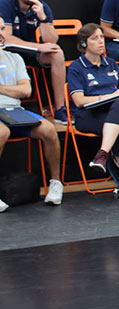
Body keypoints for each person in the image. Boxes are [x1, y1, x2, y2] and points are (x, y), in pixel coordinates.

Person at [67, 23, 119, 202]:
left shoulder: (112, 65)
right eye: (95, 38)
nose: (101, 42)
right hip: (89, 115)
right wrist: (108, 96)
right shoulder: (77, 67)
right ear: (84, 43)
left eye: (102, 37)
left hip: (112, 112)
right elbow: (79, 100)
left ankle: (102, 154)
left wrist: (116, 97)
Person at [0, 17, 63, 212]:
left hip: (15, 111)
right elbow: (18, 89)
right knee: (2, 133)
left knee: (49, 130)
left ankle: (55, 183)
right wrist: (12, 89)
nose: (2, 34)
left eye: (3, 28)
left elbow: (26, 91)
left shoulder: (14, 58)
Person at [0, 0, 69, 123]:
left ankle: (60, 109)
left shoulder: (40, 5)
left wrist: (43, 19)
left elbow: (51, 40)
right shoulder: (6, 4)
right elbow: (7, 38)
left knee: (57, 53)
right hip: (9, 52)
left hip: (30, 52)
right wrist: (38, 47)